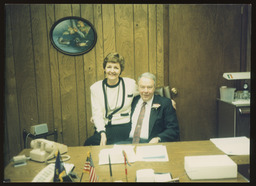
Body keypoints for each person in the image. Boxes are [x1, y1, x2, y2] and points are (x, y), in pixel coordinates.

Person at [84, 52, 137, 146]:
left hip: (123, 126)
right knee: (90, 144)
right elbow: (97, 114)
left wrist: (168, 100)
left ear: (121, 70)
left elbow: (146, 92)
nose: (112, 71)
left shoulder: (130, 84)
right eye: (109, 67)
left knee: (91, 144)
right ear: (104, 68)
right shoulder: (95, 88)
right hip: (103, 127)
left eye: (116, 68)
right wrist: (102, 132)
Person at [118, 72, 180, 144]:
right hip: (129, 142)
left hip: (150, 143)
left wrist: (158, 138)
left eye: (149, 87)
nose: (146, 91)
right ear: (138, 88)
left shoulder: (165, 104)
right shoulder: (132, 101)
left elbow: (173, 129)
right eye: (142, 87)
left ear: (154, 87)